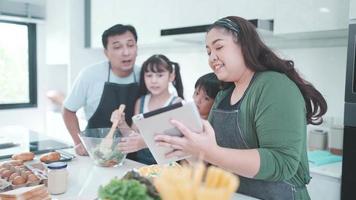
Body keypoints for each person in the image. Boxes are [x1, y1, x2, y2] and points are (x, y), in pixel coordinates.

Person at [154, 16, 327, 200]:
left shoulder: (274, 85)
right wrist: (188, 149)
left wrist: (212, 152)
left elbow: (281, 162)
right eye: (208, 52)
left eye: (218, 47)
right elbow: (213, 164)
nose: (212, 57)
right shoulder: (224, 94)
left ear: (244, 45)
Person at [62, 24, 140, 156]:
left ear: (136, 48)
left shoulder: (145, 75)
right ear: (106, 53)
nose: (126, 52)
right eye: (117, 47)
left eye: (130, 45)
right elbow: (68, 110)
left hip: (135, 154)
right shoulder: (90, 75)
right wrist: (78, 142)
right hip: (97, 154)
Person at [111, 54, 184, 165]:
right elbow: (132, 135)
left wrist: (144, 142)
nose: (153, 80)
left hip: (167, 166)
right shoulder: (141, 101)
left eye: (160, 75)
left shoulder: (176, 103)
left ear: (171, 76)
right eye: (149, 75)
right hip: (140, 164)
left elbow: (174, 141)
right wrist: (121, 123)